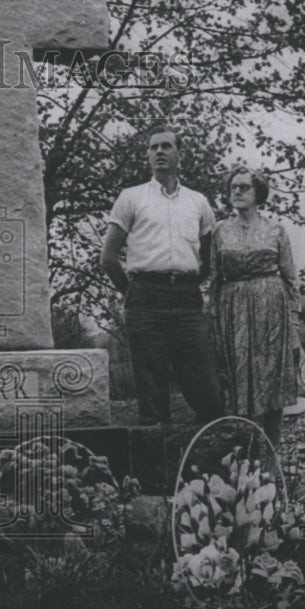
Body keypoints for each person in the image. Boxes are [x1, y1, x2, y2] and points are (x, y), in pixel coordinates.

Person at [100, 126, 223, 425]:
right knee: (152, 395)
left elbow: (208, 259)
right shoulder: (131, 198)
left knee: (207, 391)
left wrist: (189, 284)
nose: (159, 152)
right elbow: (108, 258)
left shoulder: (198, 202)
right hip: (145, 298)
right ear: (148, 156)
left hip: (186, 299)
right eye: (153, 148)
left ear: (179, 154)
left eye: (166, 146)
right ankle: (157, 464)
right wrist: (131, 293)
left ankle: (207, 462)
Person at [208, 167, 299, 447]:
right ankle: (244, 455)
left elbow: (291, 278)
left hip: (271, 310)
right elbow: (214, 278)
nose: (237, 192)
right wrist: (212, 318)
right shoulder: (220, 231)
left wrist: (294, 324)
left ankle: (271, 455)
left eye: (244, 187)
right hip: (233, 311)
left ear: (258, 193)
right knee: (237, 379)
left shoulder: (275, 230)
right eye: (233, 187)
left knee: (271, 378)